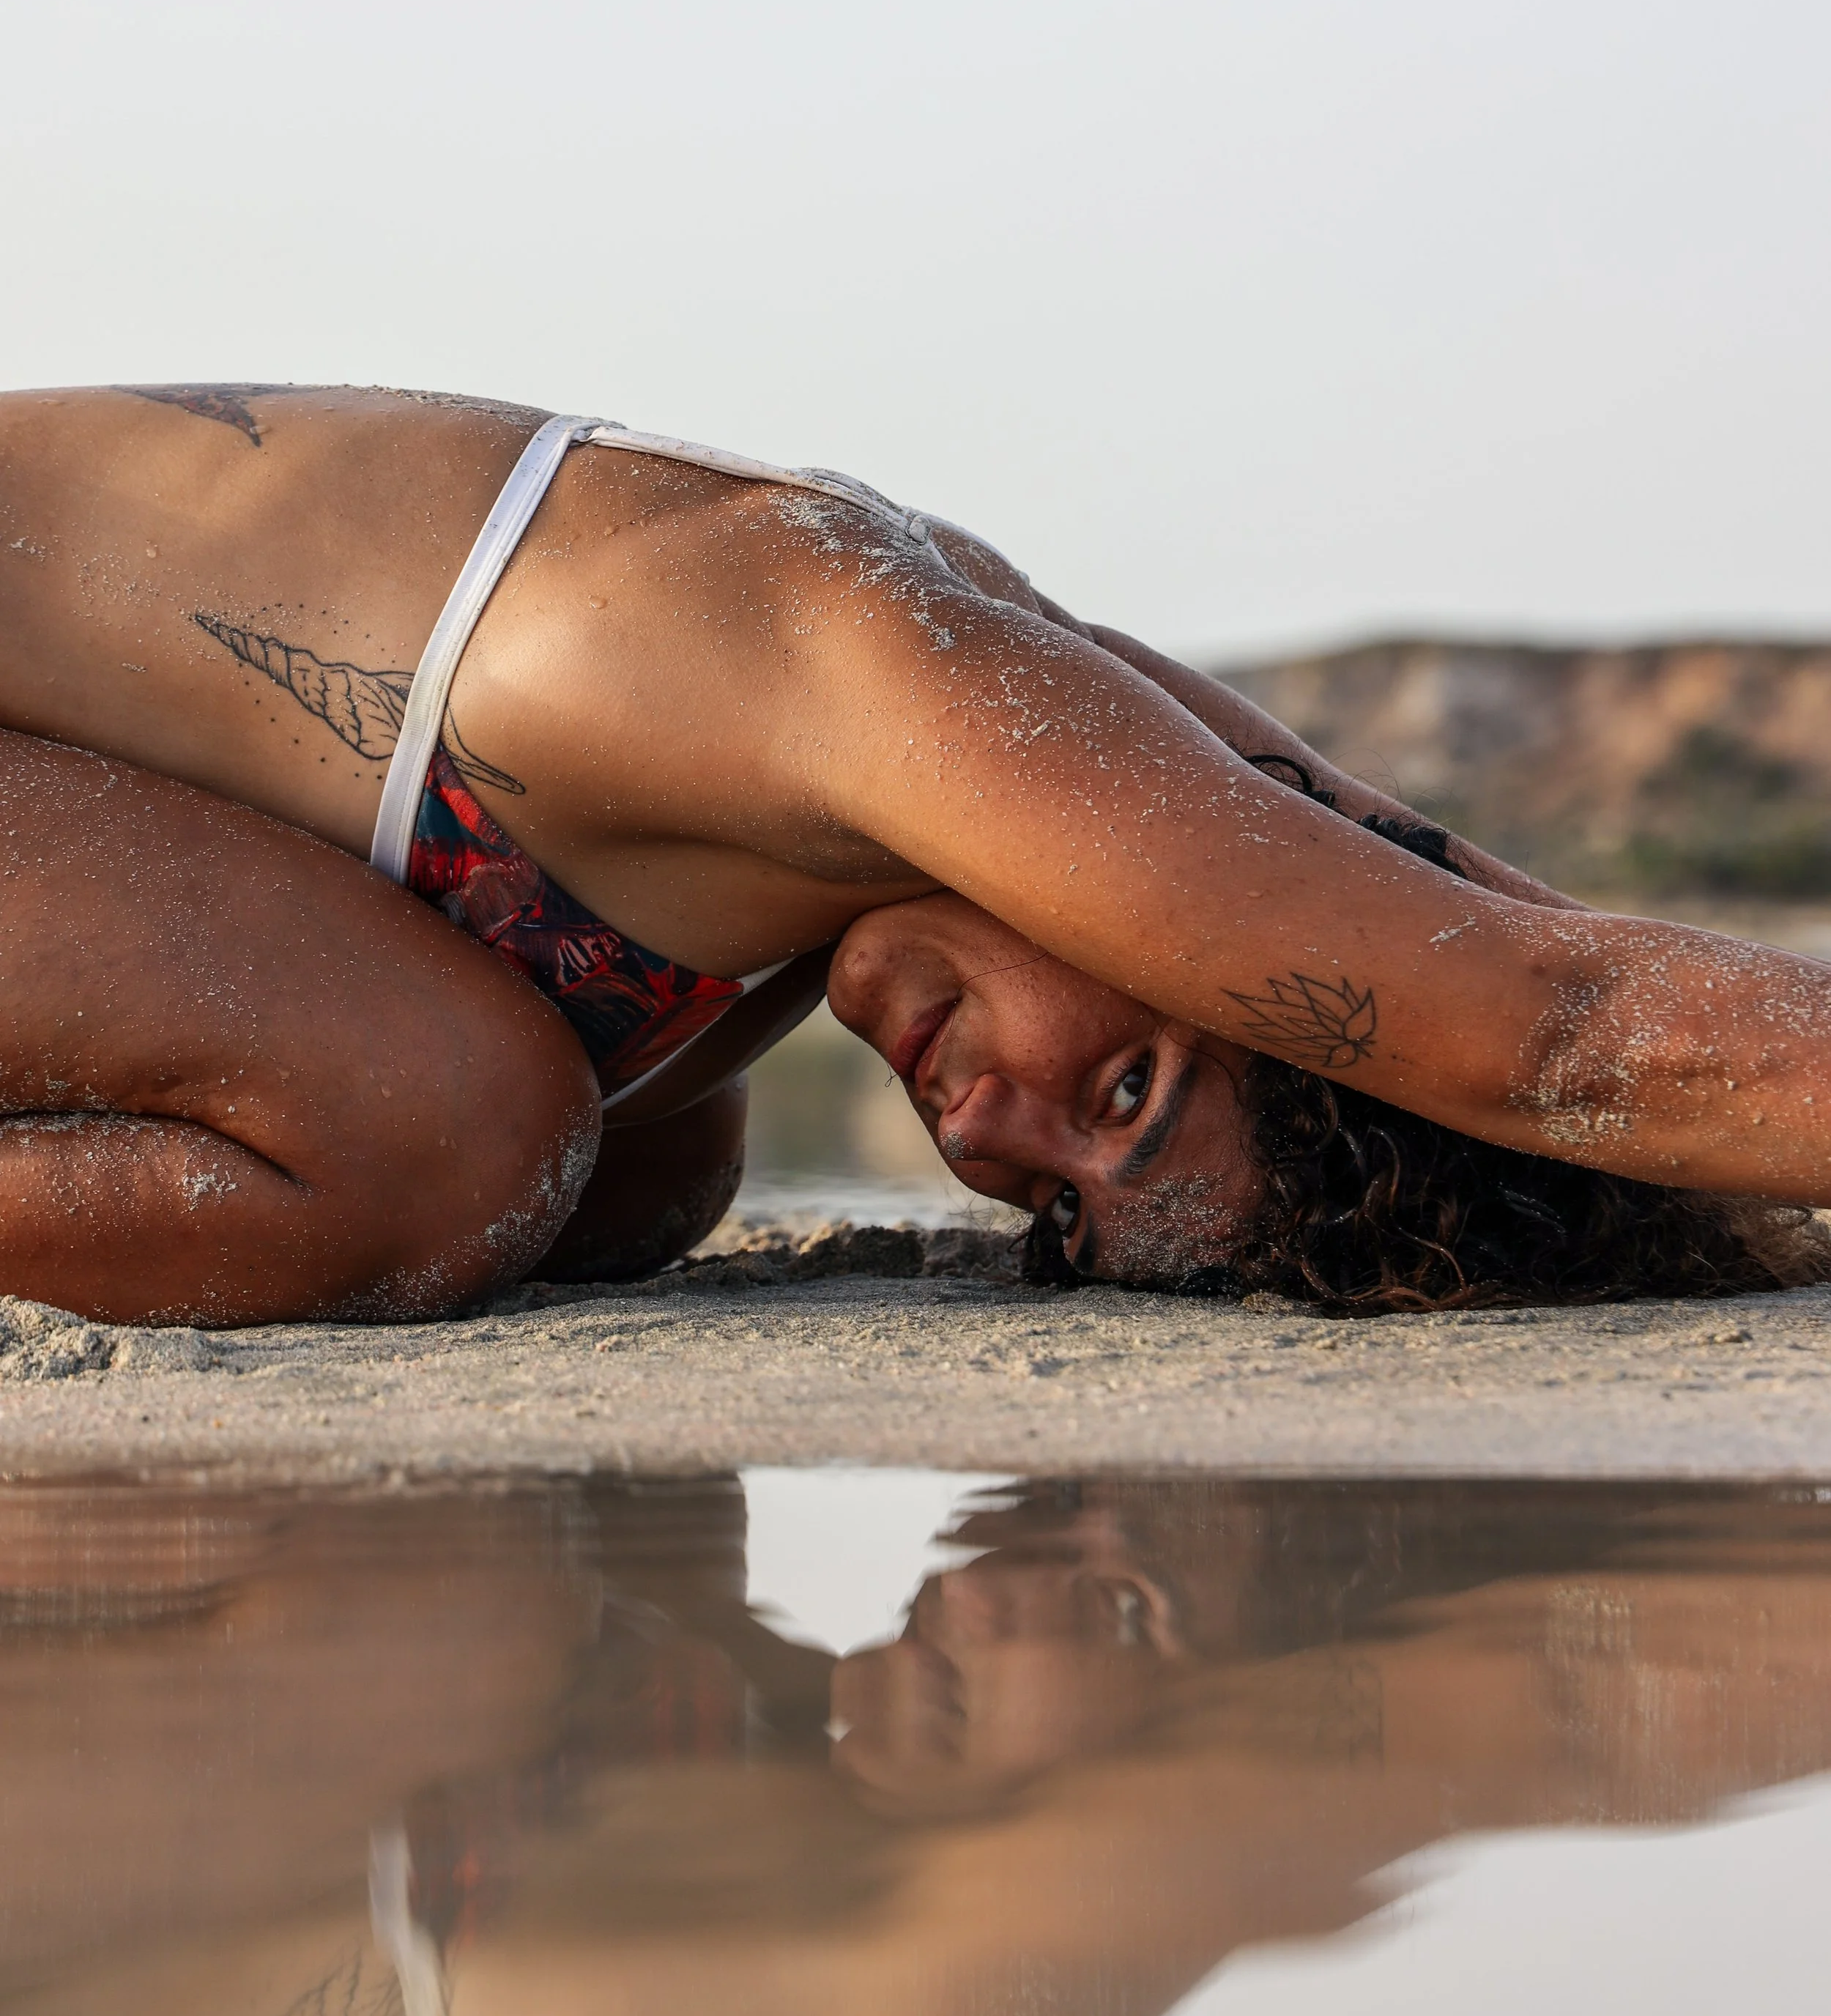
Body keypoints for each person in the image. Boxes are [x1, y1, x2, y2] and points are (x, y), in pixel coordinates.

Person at [0, 380, 1824, 1326]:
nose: (979, 1140)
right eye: (1116, 1090)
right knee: (455, 1132)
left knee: (630, 1192)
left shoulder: (887, 793)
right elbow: (1547, 1027)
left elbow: (1469, 908)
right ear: (1198, 909)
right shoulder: (880, 666)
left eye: (1047, 1204)